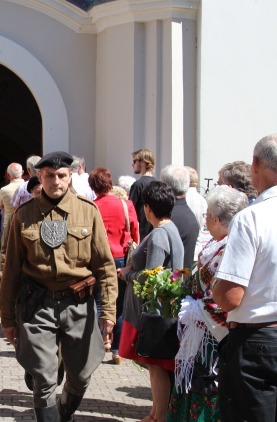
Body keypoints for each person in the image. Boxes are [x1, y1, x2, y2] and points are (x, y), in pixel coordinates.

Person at [0, 152, 118, 422]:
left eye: (61, 176)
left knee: (81, 375)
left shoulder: (88, 212)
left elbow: (105, 267)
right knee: (43, 376)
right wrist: (7, 317)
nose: (56, 181)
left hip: (78, 304)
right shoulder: (24, 215)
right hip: (37, 304)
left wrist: (109, 312)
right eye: (49, 176)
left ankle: (63, 412)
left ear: (71, 177)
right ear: (39, 177)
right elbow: (12, 271)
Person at [213, 133, 277, 422]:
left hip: (258, 340)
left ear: (255, 165)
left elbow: (231, 296)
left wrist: (215, 286)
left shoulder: (252, 217)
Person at [166, 185, 247, 422]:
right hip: (203, 335)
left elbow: (224, 296)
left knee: (209, 387)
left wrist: (197, 308)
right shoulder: (219, 243)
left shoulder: (230, 247)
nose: (205, 218)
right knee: (195, 384)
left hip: (215, 338)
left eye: (207, 214)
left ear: (215, 217)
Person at [119, 181, 184, 422]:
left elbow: (152, 277)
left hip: (154, 313)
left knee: (156, 367)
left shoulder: (159, 234)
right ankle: (156, 413)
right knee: (157, 368)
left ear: (148, 208)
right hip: (164, 309)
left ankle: (159, 416)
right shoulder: (171, 229)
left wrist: (126, 273)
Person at [88, 168, 140, 365]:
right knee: (118, 305)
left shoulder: (92, 206)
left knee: (98, 302)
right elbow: (134, 230)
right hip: (120, 257)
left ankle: (100, 342)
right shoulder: (125, 205)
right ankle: (117, 349)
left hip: (98, 258)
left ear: (92, 186)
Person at [160, 165, 200, 270]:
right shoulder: (189, 214)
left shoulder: (166, 218)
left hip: (169, 281)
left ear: (165, 186)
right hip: (183, 279)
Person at [0, 163, 24, 283]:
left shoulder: (4, 190)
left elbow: (1, 207)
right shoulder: (28, 187)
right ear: (22, 173)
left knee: (6, 258)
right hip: (26, 227)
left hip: (8, 226)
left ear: (8, 175)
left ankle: (3, 285)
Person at [129, 148, 157, 240]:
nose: (132, 164)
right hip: (154, 231)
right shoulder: (158, 183)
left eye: (135, 161)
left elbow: (130, 210)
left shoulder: (138, 185)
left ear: (143, 163)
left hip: (140, 233)